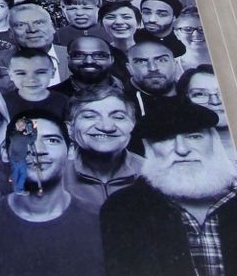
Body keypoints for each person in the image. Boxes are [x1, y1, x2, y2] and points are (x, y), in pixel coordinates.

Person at [100, 97, 237, 276]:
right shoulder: (123, 208)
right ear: (148, 148)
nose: (181, 149)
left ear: (214, 141)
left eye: (194, 136)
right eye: (165, 138)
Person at [0, 111, 106, 276]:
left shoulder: (103, 221)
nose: (38, 150)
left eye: (51, 140)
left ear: (71, 151)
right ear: (5, 153)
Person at [65, 90, 141, 208]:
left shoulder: (153, 174)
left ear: (132, 125)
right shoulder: (55, 176)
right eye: (90, 116)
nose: (106, 126)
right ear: (70, 129)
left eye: (118, 117)